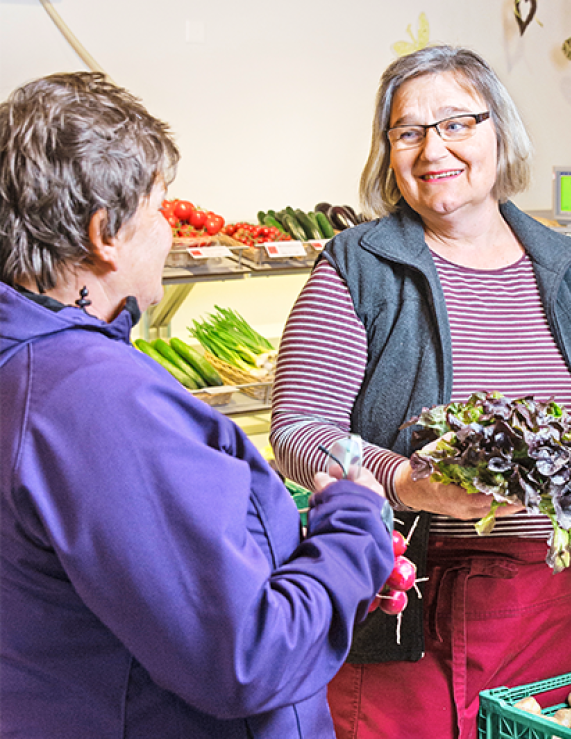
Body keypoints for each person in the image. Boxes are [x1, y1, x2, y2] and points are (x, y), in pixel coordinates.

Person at [0, 72, 394, 739]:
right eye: (159, 208)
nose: (168, 230)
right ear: (105, 234)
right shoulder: (93, 399)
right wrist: (354, 526)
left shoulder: (33, 362)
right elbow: (245, 659)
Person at [271, 45, 571, 738]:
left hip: (563, 597)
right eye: (407, 132)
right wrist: (406, 479)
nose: (431, 148)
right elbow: (297, 429)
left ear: (501, 133)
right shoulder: (359, 268)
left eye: (456, 124)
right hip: (413, 602)